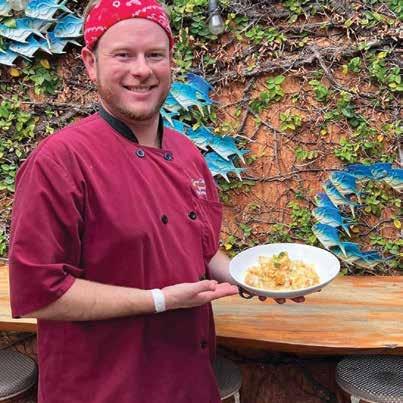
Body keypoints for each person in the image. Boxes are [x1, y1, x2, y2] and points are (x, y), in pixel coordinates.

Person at [8, 1, 303, 402]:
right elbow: (41, 294)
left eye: (154, 55)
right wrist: (160, 301)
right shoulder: (60, 161)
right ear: (91, 63)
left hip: (189, 380)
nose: (142, 70)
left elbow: (203, 252)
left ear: (170, 63)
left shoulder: (187, 153)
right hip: (103, 388)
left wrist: (250, 277)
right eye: (123, 55)